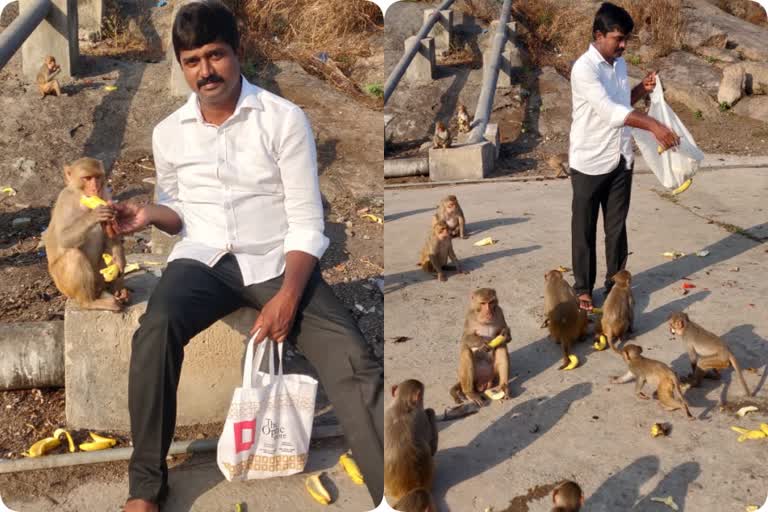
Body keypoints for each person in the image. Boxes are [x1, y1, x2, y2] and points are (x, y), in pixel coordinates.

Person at [114, 2, 383, 510]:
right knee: (155, 331)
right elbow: (177, 209)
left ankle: (391, 486)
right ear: (180, 64)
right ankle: (146, 487)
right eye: (192, 61)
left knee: (352, 358)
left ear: (238, 53)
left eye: (215, 55)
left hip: (276, 260)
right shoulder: (168, 133)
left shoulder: (283, 120)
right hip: (202, 260)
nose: (205, 71)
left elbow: (306, 222)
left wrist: (286, 296)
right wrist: (150, 214)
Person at [569, 2, 680, 311]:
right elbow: (607, 111)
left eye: (626, 39)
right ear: (598, 35)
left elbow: (621, 102)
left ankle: (616, 285)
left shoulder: (618, 64)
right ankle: (583, 289)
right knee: (585, 229)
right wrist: (653, 125)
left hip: (620, 158)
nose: (623, 45)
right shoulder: (584, 69)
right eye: (618, 38)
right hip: (589, 160)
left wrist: (640, 90)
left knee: (616, 229)